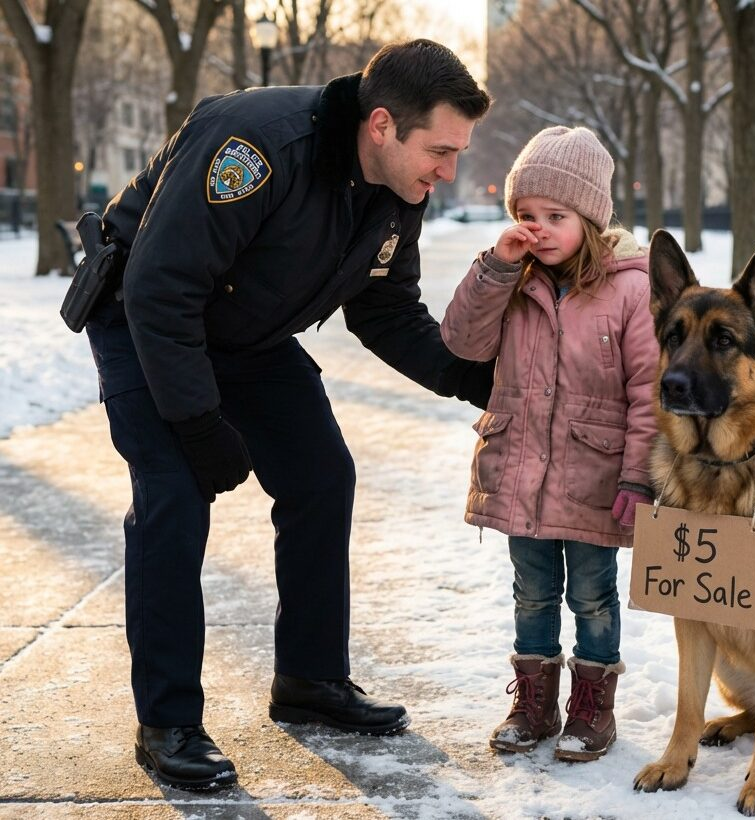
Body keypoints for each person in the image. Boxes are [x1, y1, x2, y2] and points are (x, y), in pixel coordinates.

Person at [85, 39, 493, 790]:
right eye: (439, 150)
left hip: (249, 334)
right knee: (174, 499)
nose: (448, 170)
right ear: (380, 125)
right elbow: (159, 288)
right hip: (147, 324)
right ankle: (168, 721)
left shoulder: (397, 190)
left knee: (321, 478)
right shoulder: (257, 145)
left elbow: (386, 308)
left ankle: (309, 681)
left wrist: (482, 382)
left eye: (456, 152)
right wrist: (200, 424)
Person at [440, 126, 659, 762]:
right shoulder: (512, 280)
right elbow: (462, 342)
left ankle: (593, 706)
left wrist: (639, 476)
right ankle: (533, 703)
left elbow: (649, 391)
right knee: (531, 592)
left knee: (592, 596)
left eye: (555, 216)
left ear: (589, 217)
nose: (538, 228)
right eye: (526, 215)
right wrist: (498, 265)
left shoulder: (630, 289)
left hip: (596, 480)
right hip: (521, 471)